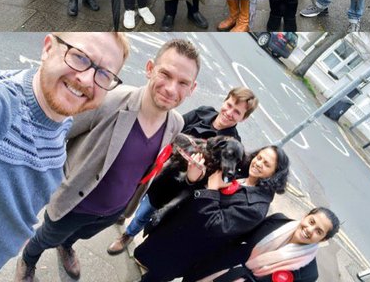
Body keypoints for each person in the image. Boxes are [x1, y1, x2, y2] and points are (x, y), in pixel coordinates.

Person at [13, 39, 200, 282]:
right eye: (165, 74)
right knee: (46, 237)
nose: (171, 89)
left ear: (192, 88)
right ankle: (28, 259)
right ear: (150, 68)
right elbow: (56, 134)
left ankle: (66, 246)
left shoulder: (176, 123)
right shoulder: (108, 101)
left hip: (114, 210)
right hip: (74, 203)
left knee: (79, 235)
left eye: (183, 83)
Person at [0, 34, 131, 271]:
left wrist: (18, 233)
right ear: (48, 48)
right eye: (80, 57)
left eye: (103, 74)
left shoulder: (64, 119)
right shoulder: (1, 105)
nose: (87, 79)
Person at [108, 86, 260, 256]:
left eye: (237, 112)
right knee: (137, 194)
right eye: (229, 105)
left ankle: (128, 234)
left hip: (178, 186)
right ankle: (122, 214)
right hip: (161, 166)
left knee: (147, 210)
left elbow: (213, 179)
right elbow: (176, 127)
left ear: (243, 118)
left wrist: (192, 177)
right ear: (225, 100)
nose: (229, 112)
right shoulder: (203, 112)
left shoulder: (232, 144)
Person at [134, 146, 290, 282]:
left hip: (186, 247)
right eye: (259, 157)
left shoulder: (256, 208)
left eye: (266, 164)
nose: (258, 163)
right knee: (149, 258)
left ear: (274, 174)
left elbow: (217, 225)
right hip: (176, 226)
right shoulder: (241, 172)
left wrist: (212, 189)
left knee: (156, 274)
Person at [193, 207, 340, 282]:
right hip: (214, 269)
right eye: (311, 221)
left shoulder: (308, 274)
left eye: (318, 231)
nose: (309, 229)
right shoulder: (277, 220)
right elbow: (239, 238)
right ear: (306, 216)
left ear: (323, 240)